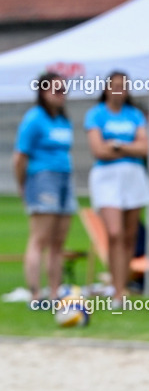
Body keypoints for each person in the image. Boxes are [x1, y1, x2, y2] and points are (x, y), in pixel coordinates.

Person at [85, 71, 149, 305]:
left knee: (130, 235)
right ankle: (116, 286)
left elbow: (144, 148)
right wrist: (128, 147)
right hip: (107, 178)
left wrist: (117, 146)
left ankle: (122, 288)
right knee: (115, 233)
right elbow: (98, 150)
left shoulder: (134, 115)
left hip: (133, 177)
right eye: (115, 86)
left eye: (123, 87)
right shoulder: (97, 114)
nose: (119, 91)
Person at [12, 72, 75, 302]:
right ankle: (35, 293)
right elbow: (19, 157)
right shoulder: (34, 118)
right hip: (42, 179)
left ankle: (55, 291)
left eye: (63, 90)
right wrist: (23, 186)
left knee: (59, 241)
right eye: (56, 90)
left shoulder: (62, 119)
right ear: (43, 92)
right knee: (40, 238)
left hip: (64, 178)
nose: (61, 95)